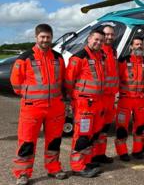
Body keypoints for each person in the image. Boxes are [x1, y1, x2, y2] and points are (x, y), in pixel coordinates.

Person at [10, 24, 68, 185]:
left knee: (54, 140)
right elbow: (15, 83)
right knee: (27, 141)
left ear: (51, 37)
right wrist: (29, 96)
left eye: (48, 37)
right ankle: (23, 173)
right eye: (42, 37)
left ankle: (54, 168)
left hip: (55, 107)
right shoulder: (25, 58)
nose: (45, 40)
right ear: (36, 37)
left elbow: (63, 80)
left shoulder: (58, 58)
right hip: (32, 107)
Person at [65, 29, 106, 178]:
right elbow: (69, 81)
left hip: (97, 102)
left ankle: (86, 161)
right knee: (82, 135)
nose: (98, 43)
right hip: (84, 104)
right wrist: (74, 98)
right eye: (96, 39)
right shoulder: (78, 57)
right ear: (89, 39)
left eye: (101, 41)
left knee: (92, 135)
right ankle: (77, 166)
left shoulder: (101, 57)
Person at [115, 37, 144, 161]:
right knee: (121, 129)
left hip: (140, 100)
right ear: (131, 46)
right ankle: (122, 152)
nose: (139, 46)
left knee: (140, 128)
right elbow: (116, 78)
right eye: (136, 44)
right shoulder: (123, 61)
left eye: (141, 44)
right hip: (125, 99)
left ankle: (137, 150)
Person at [92, 25, 118, 164]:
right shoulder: (98, 51)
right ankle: (93, 156)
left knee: (105, 129)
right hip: (100, 97)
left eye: (111, 35)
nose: (109, 37)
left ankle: (100, 153)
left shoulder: (113, 51)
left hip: (110, 97)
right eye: (107, 34)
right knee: (96, 128)